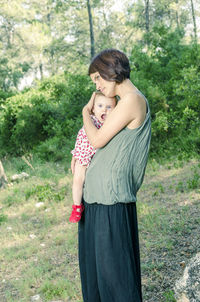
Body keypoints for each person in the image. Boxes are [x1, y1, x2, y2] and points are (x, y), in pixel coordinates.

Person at [71, 49, 151, 302]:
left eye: (98, 78)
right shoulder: (121, 103)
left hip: (111, 202)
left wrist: (85, 112)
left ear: (111, 71)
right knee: (96, 281)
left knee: (116, 283)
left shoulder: (133, 101)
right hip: (95, 200)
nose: (96, 85)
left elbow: (96, 139)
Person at [69, 92, 116, 223]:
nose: (104, 110)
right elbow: (80, 138)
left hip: (97, 157)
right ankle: (77, 206)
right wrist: (93, 98)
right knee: (78, 180)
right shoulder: (91, 119)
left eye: (109, 107)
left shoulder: (112, 124)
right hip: (83, 155)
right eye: (100, 106)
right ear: (94, 109)